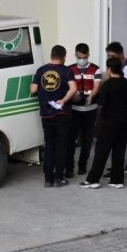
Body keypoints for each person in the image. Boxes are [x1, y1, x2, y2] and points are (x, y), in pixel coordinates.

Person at [79, 57, 127, 189]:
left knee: (101, 151)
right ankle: (117, 180)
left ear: (109, 69)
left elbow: (101, 103)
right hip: (124, 120)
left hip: (109, 121)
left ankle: (93, 180)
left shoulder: (107, 85)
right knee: (119, 150)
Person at [30, 45, 77, 188]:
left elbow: (33, 89)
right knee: (61, 146)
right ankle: (59, 178)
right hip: (62, 114)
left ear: (51, 56)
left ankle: (48, 179)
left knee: (49, 146)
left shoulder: (41, 70)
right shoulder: (66, 71)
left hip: (46, 114)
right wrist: (63, 100)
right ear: (64, 57)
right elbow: (73, 88)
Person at [65, 43, 102, 178]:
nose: (82, 60)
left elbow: (96, 86)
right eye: (79, 57)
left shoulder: (95, 69)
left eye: (84, 57)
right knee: (71, 140)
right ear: (75, 55)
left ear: (88, 55)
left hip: (90, 110)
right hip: (74, 110)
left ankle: (82, 166)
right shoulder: (69, 69)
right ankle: (69, 168)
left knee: (87, 140)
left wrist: (91, 96)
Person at [103, 41, 127, 179]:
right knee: (117, 140)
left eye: (113, 56)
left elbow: (123, 90)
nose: (111, 59)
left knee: (119, 141)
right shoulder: (120, 67)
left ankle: (120, 169)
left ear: (121, 54)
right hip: (118, 110)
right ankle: (120, 166)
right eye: (109, 56)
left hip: (124, 110)